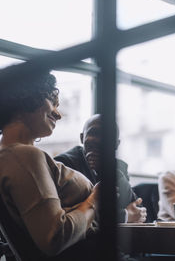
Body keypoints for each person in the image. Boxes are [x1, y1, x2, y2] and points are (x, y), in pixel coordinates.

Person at [0, 71, 100, 260]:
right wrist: (95, 200)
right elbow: (55, 237)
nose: (58, 113)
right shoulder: (23, 156)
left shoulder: (14, 156)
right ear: (27, 96)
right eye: (52, 101)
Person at [54, 114, 147, 223]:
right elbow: (77, 214)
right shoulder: (64, 164)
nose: (99, 140)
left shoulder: (119, 167)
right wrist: (124, 216)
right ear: (81, 138)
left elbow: (136, 207)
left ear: (116, 144)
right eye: (94, 133)